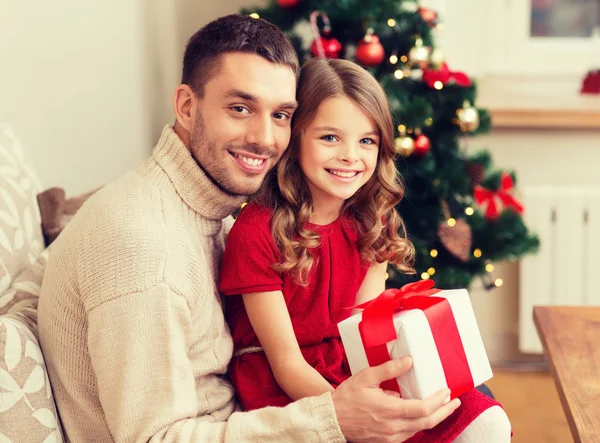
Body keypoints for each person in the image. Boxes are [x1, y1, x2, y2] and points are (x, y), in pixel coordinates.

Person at [38, 13, 466, 443]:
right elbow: (155, 438)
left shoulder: (217, 208)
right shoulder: (144, 246)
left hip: (253, 415)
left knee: (460, 401)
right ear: (187, 106)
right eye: (240, 108)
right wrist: (334, 419)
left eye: (281, 115)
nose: (265, 138)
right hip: (244, 423)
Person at [219, 57, 512, 442]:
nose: (350, 156)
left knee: (483, 419)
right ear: (296, 138)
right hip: (287, 387)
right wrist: (354, 414)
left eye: (366, 141)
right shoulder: (257, 231)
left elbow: (362, 337)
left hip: (349, 366)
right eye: (330, 138)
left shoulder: (373, 221)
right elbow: (286, 363)